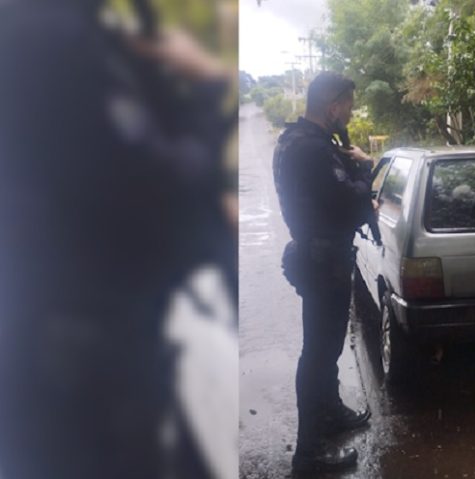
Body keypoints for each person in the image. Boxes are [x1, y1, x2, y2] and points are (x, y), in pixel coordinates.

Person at [0, 1, 236, 478]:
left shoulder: (78, 32)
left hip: (75, 337)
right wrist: (207, 88)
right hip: (83, 353)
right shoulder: (49, 35)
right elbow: (160, 181)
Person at [273, 71, 377, 473]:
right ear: (333, 106)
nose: (350, 113)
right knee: (318, 354)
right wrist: (366, 170)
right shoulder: (312, 149)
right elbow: (350, 202)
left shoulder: (297, 140)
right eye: (348, 106)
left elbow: (327, 194)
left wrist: (350, 166)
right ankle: (309, 453)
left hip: (316, 254)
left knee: (326, 349)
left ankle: (330, 413)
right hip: (323, 260)